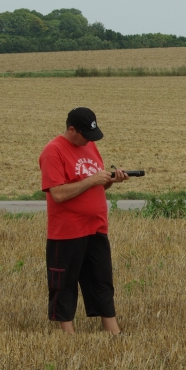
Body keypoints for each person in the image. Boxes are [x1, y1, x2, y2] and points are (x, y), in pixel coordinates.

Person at [39, 107, 129, 335]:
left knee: (101, 279)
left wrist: (111, 180)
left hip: (96, 226)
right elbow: (57, 194)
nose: (90, 140)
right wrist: (91, 180)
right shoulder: (53, 151)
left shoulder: (90, 145)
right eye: (86, 135)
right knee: (64, 283)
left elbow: (97, 183)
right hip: (67, 230)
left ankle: (112, 329)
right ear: (71, 129)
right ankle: (67, 333)